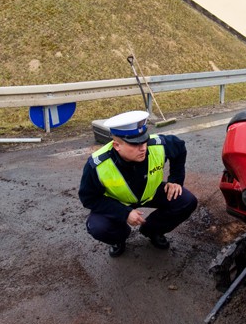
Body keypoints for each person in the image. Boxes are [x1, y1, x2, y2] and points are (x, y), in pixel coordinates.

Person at [79, 110, 197, 257]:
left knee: (186, 201)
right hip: (118, 201)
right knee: (98, 227)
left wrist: (175, 180)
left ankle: (153, 231)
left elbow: (179, 147)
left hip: (151, 192)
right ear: (117, 145)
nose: (142, 148)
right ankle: (119, 238)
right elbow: (89, 198)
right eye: (134, 144)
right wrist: (124, 213)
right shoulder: (97, 164)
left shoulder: (157, 145)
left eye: (144, 141)